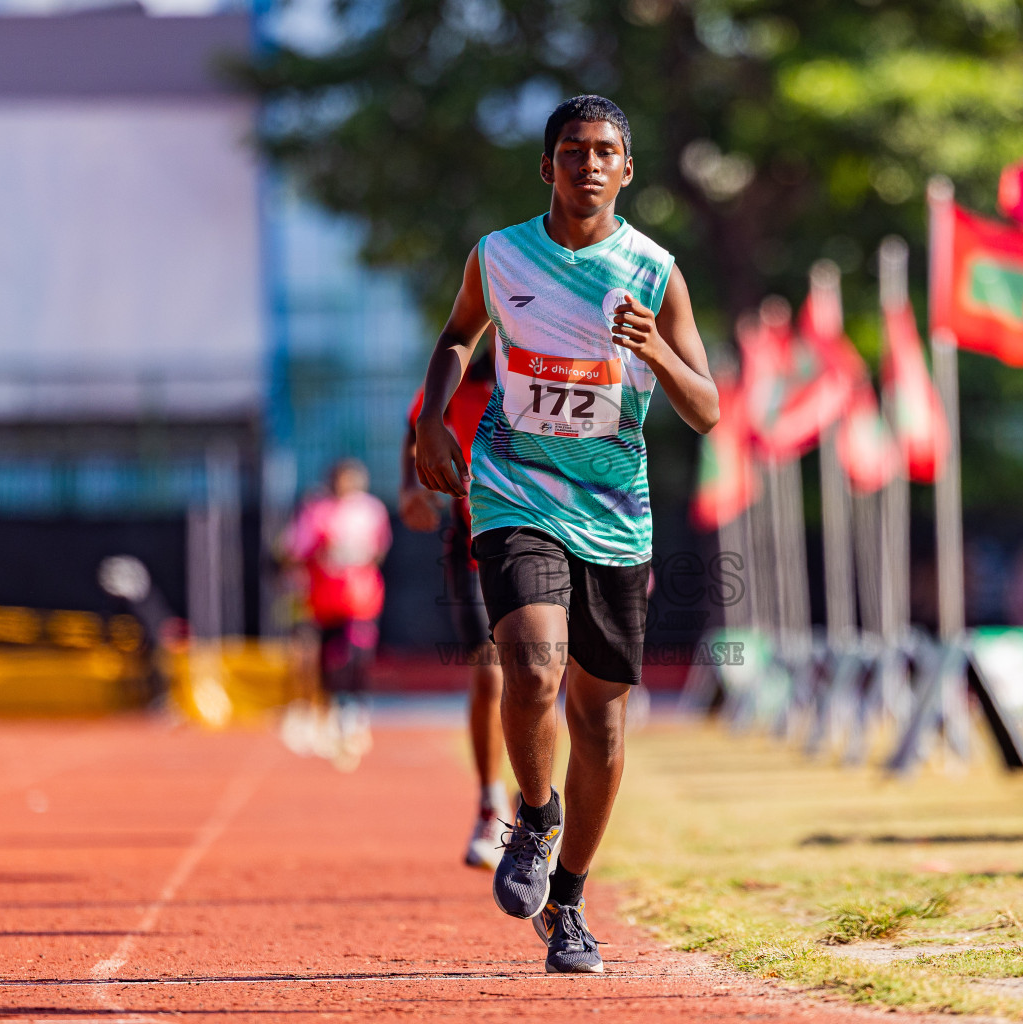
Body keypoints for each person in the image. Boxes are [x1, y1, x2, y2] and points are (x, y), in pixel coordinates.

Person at [413, 95, 717, 974]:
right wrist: (432, 420)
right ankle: (534, 817)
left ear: (628, 170)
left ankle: (572, 902)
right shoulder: (499, 255)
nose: (589, 164)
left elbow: (707, 411)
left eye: (606, 151)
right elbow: (457, 336)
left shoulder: (655, 272)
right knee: (534, 664)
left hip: (615, 515)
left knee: (603, 721)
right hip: (514, 491)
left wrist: (657, 351)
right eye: (573, 150)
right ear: (547, 166)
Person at [399, 342, 512, 869]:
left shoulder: (545, 359)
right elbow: (418, 422)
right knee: (489, 675)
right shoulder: (460, 378)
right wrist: (409, 487)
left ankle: (534, 810)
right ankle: (491, 806)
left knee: (540, 675)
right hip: (474, 544)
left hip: (549, 537)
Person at [284, 459, 392, 766]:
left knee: (355, 654)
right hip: (324, 600)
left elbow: (379, 549)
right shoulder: (316, 511)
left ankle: (353, 713)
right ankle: (333, 711)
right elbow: (296, 551)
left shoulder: (370, 510)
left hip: (361, 600)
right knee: (327, 660)